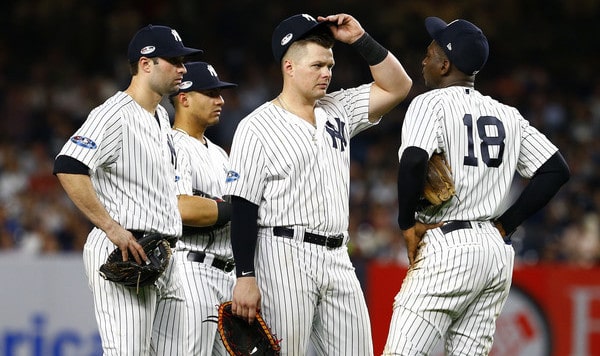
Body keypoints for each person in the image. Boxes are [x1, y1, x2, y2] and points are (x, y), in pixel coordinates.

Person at [224, 13, 412, 355]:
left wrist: (360, 39)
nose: (327, 73)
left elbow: (399, 86)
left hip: (338, 256)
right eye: (317, 65)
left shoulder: (337, 109)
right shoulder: (257, 127)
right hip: (282, 254)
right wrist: (245, 275)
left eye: (330, 65)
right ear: (289, 67)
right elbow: (243, 206)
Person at [383, 17, 570, 355]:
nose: (424, 61)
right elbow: (555, 169)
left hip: (450, 244)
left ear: (445, 64)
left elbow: (412, 161)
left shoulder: (430, 103)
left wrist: (407, 225)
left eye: (429, 54)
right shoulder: (507, 115)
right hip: (495, 252)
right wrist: (505, 225)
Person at [52, 24, 202, 355]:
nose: (183, 69)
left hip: (164, 253)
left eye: (183, 61)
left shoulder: (162, 116)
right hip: (126, 249)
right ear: (146, 63)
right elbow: (69, 165)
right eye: (174, 61)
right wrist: (110, 227)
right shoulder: (114, 114)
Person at [169, 61, 237, 355]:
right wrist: (236, 210)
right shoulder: (171, 143)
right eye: (210, 93)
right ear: (183, 98)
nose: (220, 100)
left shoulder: (220, 153)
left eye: (219, 93)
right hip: (189, 269)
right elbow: (180, 208)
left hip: (228, 275)